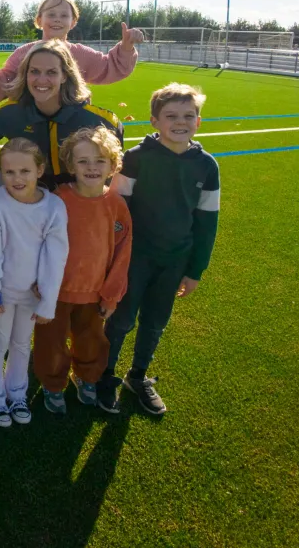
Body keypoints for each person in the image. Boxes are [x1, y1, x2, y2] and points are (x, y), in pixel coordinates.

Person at [100, 83, 219, 416]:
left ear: (198, 121)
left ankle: (137, 376)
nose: (179, 122)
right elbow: (115, 209)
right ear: (154, 121)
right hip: (133, 258)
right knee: (121, 320)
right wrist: (112, 256)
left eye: (188, 115)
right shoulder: (136, 159)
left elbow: (207, 222)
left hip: (174, 261)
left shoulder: (207, 166)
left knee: (154, 322)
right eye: (170, 116)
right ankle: (104, 375)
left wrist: (195, 270)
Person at [34, 127, 131, 416]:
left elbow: (122, 251)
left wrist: (111, 295)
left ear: (113, 166)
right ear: (70, 165)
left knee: (91, 341)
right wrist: (37, 281)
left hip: (94, 292)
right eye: (83, 161)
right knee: (51, 343)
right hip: (55, 292)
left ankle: (87, 378)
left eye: (100, 161)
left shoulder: (116, 204)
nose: (91, 167)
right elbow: (37, 242)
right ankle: (53, 384)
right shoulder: (56, 200)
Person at [0, 139, 68, 428]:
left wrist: (48, 301)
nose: (17, 179)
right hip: (3, 294)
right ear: (0, 174)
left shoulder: (54, 206)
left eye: (25, 171)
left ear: (39, 169)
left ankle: (17, 393)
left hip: (32, 294)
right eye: (9, 172)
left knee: (21, 344)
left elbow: (56, 255)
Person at [0, 39, 123, 190]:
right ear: (25, 74)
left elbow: (116, 154)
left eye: (51, 72)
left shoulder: (95, 119)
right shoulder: (12, 112)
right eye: (34, 71)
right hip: (27, 199)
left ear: (64, 76)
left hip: (76, 203)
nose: (41, 80)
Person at [0, 0, 144, 101]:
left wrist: (126, 47)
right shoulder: (23, 53)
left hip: (71, 130)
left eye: (64, 15)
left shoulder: (81, 54)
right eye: (51, 14)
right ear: (39, 20)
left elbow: (110, 67)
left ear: (73, 22)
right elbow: (3, 87)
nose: (57, 19)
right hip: (30, 129)